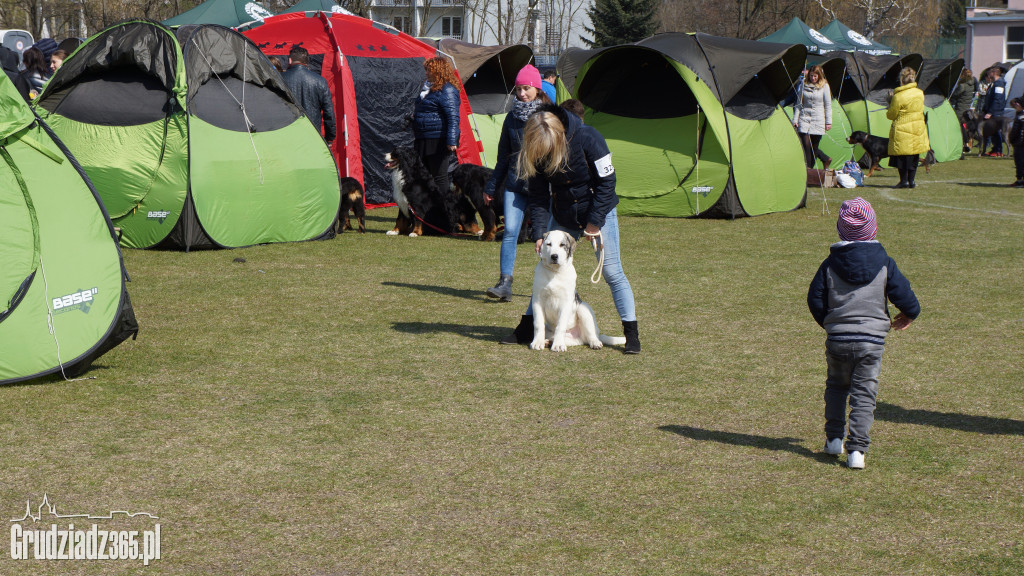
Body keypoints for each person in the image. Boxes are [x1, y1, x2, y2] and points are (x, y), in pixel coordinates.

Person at [500, 104, 641, 354]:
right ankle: (525, 329)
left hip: (599, 208)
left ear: (558, 135)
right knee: (544, 271)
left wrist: (594, 222)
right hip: (564, 212)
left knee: (611, 271)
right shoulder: (537, 147)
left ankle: (631, 333)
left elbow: (608, 182)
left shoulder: (589, 138)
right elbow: (539, 196)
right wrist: (540, 234)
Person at [807, 197, 920, 469]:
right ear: (873, 228)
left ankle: (834, 439)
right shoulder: (885, 262)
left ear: (840, 229)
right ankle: (856, 451)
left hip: (838, 340)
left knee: (836, 387)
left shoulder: (829, 264)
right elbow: (903, 294)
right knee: (864, 393)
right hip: (872, 341)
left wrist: (831, 323)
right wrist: (910, 313)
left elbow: (815, 298)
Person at [482, 64, 551, 301]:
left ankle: (553, 287)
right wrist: (491, 187)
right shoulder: (511, 118)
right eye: (518, 89)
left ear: (536, 88)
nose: (521, 94)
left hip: (543, 188)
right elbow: (503, 157)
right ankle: (504, 283)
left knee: (547, 237)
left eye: (526, 88)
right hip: (515, 184)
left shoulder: (548, 117)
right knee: (510, 231)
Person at [411, 56, 461, 196]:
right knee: (423, 175)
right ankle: (427, 210)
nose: (426, 73)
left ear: (438, 71)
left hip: (438, 139)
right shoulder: (429, 89)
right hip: (423, 138)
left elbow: (453, 116)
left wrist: (451, 140)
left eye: (429, 70)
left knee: (439, 176)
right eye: (426, 70)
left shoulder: (448, 90)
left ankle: (445, 209)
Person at [282, 46, 336, 146]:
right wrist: (329, 138)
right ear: (307, 62)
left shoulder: (279, 79)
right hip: (313, 133)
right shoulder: (320, 81)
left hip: (287, 133)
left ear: (290, 60)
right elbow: (329, 113)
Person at [886, 67, 929, 188]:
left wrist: (889, 103)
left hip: (902, 128)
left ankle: (903, 181)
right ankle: (912, 181)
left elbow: (891, 115)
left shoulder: (898, 96)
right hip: (917, 127)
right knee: (914, 155)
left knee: (902, 156)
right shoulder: (920, 93)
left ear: (901, 79)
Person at [792, 64, 832, 168]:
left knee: (814, 148)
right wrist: (795, 119)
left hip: (818, 119)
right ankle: (808, 169)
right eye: (811, 76)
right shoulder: (803, 85)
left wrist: (828, 122)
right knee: (806, 145)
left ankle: (812, 168)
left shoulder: (825, 86)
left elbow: (828, 105)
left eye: (815, 76)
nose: (813, 78)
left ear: (819, 76)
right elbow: (798, 104)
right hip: (804, 118)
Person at [982, 66, 1007, 157]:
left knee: (996, 131)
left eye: (989, 72)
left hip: (996, 111)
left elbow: (997, 99)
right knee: (993, 131)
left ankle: (998, 150)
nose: (988, 74)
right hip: (992, 111)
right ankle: (995, 149)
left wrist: (990, 112)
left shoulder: (999, 83)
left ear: (994, 73)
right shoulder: (994, 83)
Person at [1008, 98, 1024, 187]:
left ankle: (1020, 180)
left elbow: (1015, 130)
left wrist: (1011, 139)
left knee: (1019, 162)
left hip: (1020, 142)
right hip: (1020, 142)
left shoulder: (1020, 116)